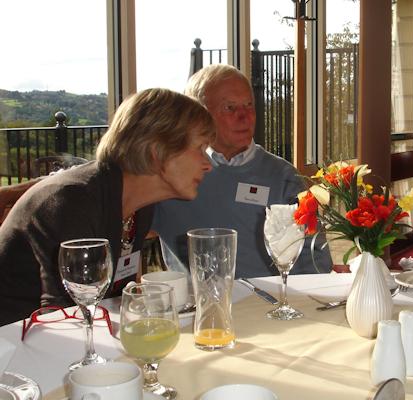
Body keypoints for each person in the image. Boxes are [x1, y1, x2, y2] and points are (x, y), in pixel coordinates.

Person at [0, 88, 215, 325]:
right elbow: (66, 318)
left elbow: (115, 296)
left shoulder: (139, 206)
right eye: (200, 149)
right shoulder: (73, 202)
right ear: (158, 151)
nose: (208, 165)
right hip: (13, 346)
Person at [152, 64, 332, 278]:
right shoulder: (171, 177)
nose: (245, 116)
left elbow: (315, 259)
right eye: (230, 108)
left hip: (269, 305)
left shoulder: (283, 176)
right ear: (199, 115)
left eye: (249, 105)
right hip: (197, 307)